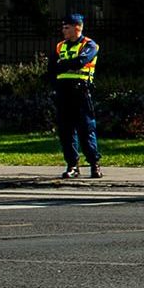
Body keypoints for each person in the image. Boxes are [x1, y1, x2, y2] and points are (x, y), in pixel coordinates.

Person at [48, 14, 101, 179]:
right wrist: (65, 67)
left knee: (86, 128)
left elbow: (81, 61)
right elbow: (51, 68)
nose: (63, 30)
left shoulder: (90, 45)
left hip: (81, 92)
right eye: (63, 27)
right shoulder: (60, 46)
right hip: (64, 92)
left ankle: (94, 164)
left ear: (77, 27)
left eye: (67, 27)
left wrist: (62, 66)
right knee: (66, 130)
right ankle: (72, 165)